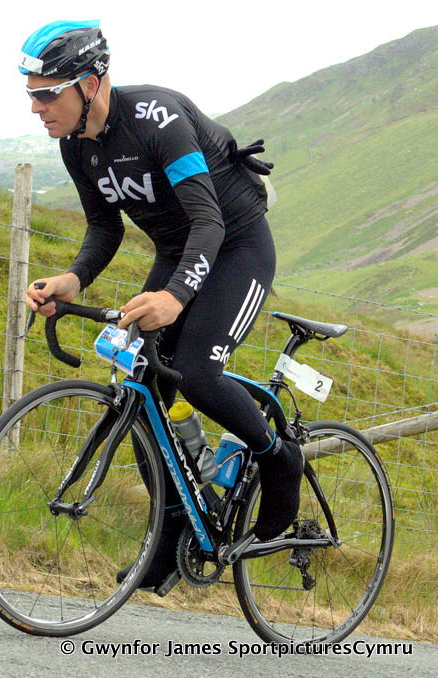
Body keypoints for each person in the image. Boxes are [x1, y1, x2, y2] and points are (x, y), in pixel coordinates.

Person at [19, 19, 304, 593]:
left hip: (236, 244)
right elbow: (104, 227)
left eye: (48, 93)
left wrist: (175, 297)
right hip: (181, 251)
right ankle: (171, 536)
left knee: (197, 371)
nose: (37, 107)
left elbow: (210, 219)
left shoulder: (158, 121)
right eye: (31, 94)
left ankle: (279, 458)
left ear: (91, 84)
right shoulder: (78, 146)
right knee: (143, 389)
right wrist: (74, 278)